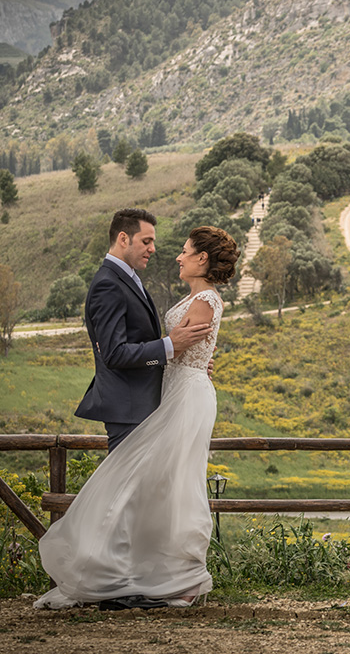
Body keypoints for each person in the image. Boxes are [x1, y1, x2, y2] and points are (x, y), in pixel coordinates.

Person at [34, 225, 240, 610]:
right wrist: (193, 360)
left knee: (177, 483)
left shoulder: (205, 300)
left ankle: (183, 577)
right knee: (158, 485)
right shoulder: (198, 297)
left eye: (184, 251)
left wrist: (195, 364)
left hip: (185, 395)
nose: (176, 256)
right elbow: (178, 348)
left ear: (202, 259)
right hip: (175, 389)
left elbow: (178, 349)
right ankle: (145, 574)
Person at [74, 208, 213, 452]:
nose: (153, 249)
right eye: (146, 241)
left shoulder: (127, 278)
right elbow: (115, 354)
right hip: (129, 412)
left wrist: (189, 362)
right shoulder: (108, 284)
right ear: (123, 239)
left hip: (144, 408)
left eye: (153, 242)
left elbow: (137, 342)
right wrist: (170, 345)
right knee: (126, 490)